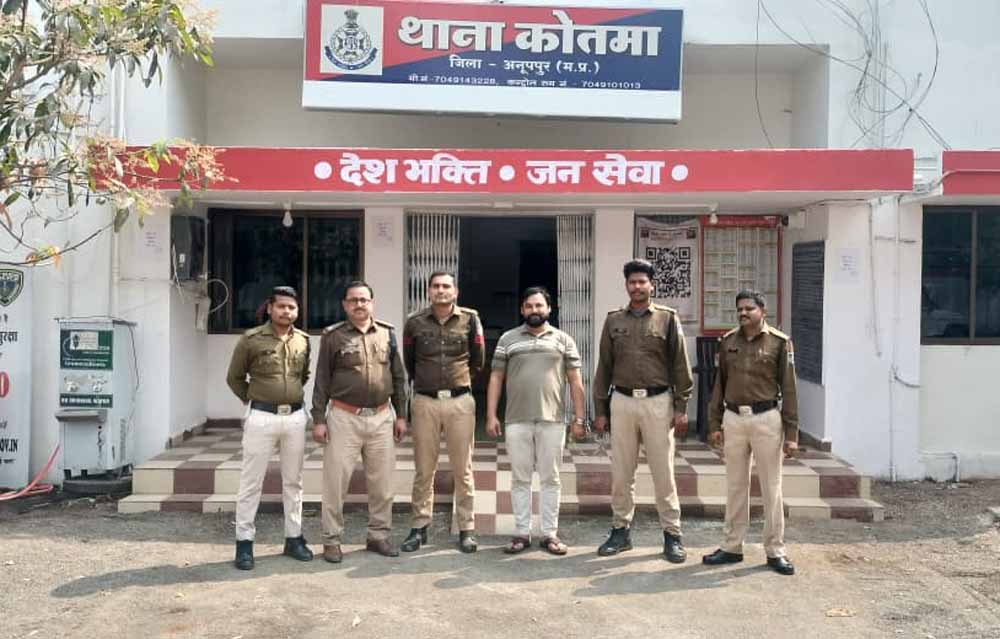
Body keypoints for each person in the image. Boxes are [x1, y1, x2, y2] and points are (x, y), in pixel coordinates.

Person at [592, 259, 694, 563]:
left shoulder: (667, 319)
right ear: (626, 285)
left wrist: (681, 407)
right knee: (622, 472)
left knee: (663, 473)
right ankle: (620, 531)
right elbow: (604, 367)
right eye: (632, 282)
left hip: (658, 402)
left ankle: (672, 535)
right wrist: (601, 410)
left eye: (641, 282)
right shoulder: (613, 321)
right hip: (622, 402)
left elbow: (680, 365)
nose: (636, 287)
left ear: (652, 285)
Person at [702, 290, 799, 576]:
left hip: (767, 419)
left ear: (763, 311)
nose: (743, 313)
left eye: (749, 308)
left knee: (771, 487)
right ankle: (732, 546)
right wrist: (714, 424)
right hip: (734, 418)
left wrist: (792, 434)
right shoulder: (728, 342)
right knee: (735, 485)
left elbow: (789, 390)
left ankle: (775, 550)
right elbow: (719, 384)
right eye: (739, 309)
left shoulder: (779, 343)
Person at [311, 281, 408, 563]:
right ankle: (331, 540)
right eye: (353, 300)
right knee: (336, 482)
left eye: (364, 300)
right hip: (344, 418)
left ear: (372, 303)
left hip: (381, 418)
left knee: (382, 484)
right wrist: (319, 419)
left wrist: (402, 415)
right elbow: (322, 379)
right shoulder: (333, 336)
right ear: (345, 305)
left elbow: (399, 378)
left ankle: (378, 536)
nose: (359, 305)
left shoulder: (387, 334)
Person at [486, 287, 586, 555]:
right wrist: (491, 415)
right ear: (522, 310)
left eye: (539, 305)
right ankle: (522, 532)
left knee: (550, 479)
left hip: (553, 420)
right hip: (516, 420)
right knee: (520, 479)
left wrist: (579, 418)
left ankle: (549, 534)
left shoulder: (563, 340)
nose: (534, 310)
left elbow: (575, 381)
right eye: (529, 306)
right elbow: (496, 377)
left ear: (549, 309)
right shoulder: (508, 339)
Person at [225, 286, 313, 570]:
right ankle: (244, 543)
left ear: (297, 311)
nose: (287, 311)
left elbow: (303, 375)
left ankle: (294, 538)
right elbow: (235, 378)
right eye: (282, 306)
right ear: (270, 308)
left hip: (295, 418)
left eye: (292, 307)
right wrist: (256, 398)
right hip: (261, 418)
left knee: (294, 481)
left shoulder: (303, 340)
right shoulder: (251, 339)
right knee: (251, 482)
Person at [400, 272, 485, 553]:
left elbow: (478, 360)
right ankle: (419, 527)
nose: (441, 290)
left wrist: (459, 382)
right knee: (424, 469)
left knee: (463, 469)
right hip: (425, 402)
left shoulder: (470, 319)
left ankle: (466, 528)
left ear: (455, 291)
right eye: (436, 286)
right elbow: (410, 363)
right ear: (428, 291)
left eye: (446, 286)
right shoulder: (414, 322)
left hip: (460, 402)